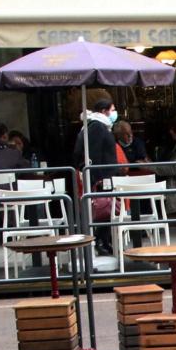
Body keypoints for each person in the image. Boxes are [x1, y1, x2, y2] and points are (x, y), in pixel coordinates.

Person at [75, 98, 123, 254]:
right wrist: (98, 177)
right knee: (104, 209)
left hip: (104, 175)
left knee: (106, 210)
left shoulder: (97, 126)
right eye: (113, 109)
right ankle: (100, 241)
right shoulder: (97, 127)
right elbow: (93, 154)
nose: (114, 113)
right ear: (104, 111)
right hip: (102, 176)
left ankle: (104, 240)